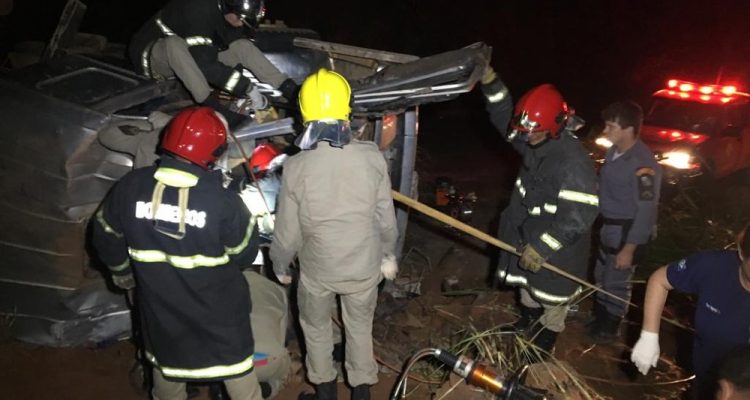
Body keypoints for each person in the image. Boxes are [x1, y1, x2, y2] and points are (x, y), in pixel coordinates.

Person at [92, 106, 263, 400]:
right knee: (241, 385)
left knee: (166, 383)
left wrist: (122, 273)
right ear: (214, 152)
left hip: (162, 318)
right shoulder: (223, 202)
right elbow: (245, 254)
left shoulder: (130, 187)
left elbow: (105, 236)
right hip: (221, 323)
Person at [270, 68, 399, 400]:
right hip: (363, 269)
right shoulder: (371, 156)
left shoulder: (296, 166)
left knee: (315, 329)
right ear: (347, 109)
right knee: (359, 329)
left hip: (319, 271)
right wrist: (388, 255)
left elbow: (287, 234)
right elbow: (386, 218)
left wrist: (281, 266)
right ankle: (362, 394)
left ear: (304, 112)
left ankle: (325, 392)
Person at [481, 67, 599, 356]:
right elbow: (503, 117)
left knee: (551, 304)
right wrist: (490, 81)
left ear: (556, 125)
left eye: (534, 134)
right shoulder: (536, 140)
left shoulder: (573, 164)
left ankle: (539, 353)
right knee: (529, 292)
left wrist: (542, 248)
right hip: (529, 239)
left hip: (557, 252)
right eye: (526, 133)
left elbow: (578, 217)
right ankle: (526, 324)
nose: (527, 139)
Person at [128, 0, 298, 126]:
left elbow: (233, 49)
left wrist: (245, 94)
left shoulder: (226, 15)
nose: (241, 25)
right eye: (241, 20)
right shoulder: (198, 9)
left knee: (243, 46)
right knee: (174, 44)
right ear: (230, 8)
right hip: (152, 58)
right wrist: (247, 88)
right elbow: (204, 64)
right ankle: (212, 106)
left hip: (188, 56)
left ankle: (289, 89)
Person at [631, 223, 750, 399]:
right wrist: (649, 335)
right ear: (742, 251)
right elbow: (660, 280)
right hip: (707, 376)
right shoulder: (713, 267)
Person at [588, 101, 661, 343]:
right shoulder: (614, 152)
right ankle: (599, 318)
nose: (605, 131)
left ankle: (609, 327)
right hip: (608, 226)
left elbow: (647, 208)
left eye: (611, 126)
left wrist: (630, 248)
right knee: (601, 274)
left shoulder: (644, 165)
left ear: (628, 129)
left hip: (627, 231)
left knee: (616, 281)